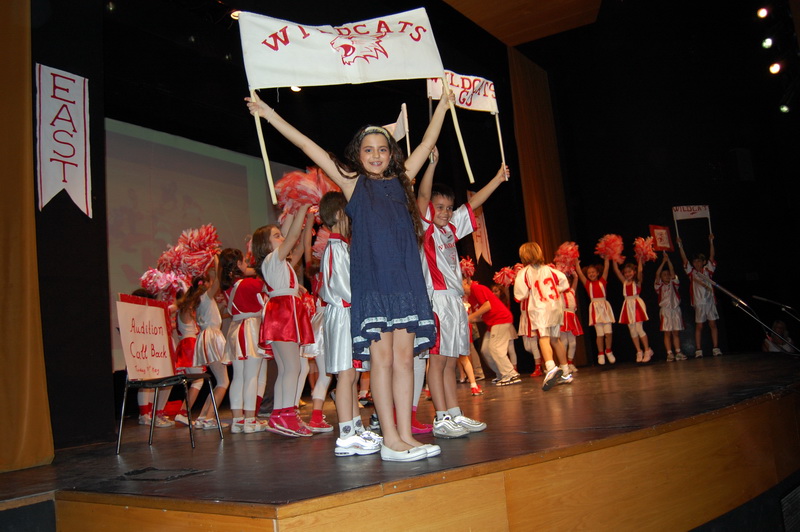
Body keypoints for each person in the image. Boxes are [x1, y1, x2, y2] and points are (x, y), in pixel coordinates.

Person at [245, 91, 454, 462]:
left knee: (406, 362)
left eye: (382, 149)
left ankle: (405, 435)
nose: (376, 155)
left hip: (405, 286)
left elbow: (427, 142)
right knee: (382, 363)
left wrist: (443, 105)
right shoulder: (353, 183)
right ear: (358, 154)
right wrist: (268, 114)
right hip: (374, 287)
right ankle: (390, 439)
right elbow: (309, 146)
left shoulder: (402, 180)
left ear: (391, 154)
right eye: (368, 150)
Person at [416, 147, 507, 438]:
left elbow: (474, 202)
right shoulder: (426, 228)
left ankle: (453, 413)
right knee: (437, 360)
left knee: (450, 360)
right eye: (439, 207)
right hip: (437, 300)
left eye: (448, 207)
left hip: (455, 301)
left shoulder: (450, 229)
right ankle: (441, 417)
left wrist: (497, 179)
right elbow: (423, 195)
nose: (444, 212)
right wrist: (431, 165)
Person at [318, 191, 382, 456]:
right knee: (346, 374)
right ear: (338, 215)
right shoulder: (335, 247)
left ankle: (356, 428)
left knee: (353, 373)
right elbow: (342, 286)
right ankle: (346, 434)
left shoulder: (342, 246)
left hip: (348, 314)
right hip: (343, 314)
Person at [254, 204, 315, 437]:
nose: (281, 238)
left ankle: (280, 415)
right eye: (276, 236)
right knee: (292, 367)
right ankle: (286, 416)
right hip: (283, 314)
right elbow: (291, 237)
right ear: (265, 244)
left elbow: (296, 243)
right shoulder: (272, 259)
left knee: (286, 368)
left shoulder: (281, 263)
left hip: (284, 312)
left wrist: (304, 216)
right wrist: (303, 207)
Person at [220, 247, 268, 434]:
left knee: (238, 377)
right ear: (239, 264)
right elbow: (268, 285)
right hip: (251, 329)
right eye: (244, 261)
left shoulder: (227, 287)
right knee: (251, 376)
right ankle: (250, 420)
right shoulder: (250, 284)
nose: (247, 265)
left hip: (234, 329)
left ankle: (237, 420)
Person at [514, 242, 571, 391]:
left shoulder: (524, 272)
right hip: (555, 307)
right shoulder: (550, 269)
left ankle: (551, 368)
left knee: (543, 338)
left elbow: (520, 295)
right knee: (556, 339)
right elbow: (565, 284)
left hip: (540, 308)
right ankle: (566, 372)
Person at [464, 277, 520, 386]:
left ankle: (510, 374)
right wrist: (468, 319)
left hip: (501, 319)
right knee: (485, 350)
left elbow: (487, 306)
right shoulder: (470, 297)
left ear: (466, 281)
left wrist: (470, 317)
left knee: (495, 347)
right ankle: (501, 374)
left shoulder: (477, 288)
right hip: (493, 323)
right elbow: (481, 315)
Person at [678, 234, 722, 357]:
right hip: (698, 303)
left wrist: (711, 241)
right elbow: (684, 260)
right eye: (695, 261)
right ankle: (698, 350)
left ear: (703, 262)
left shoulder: (708, 270)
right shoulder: (692, 273)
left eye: (699, 261)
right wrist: (680, 245)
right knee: (699, 326)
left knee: (713, 324)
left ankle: (716, 348)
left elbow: (712, 256)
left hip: (710, 302)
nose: (696, 263)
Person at [612, 259, 653, 363]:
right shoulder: (624, 282)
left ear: (634, 272)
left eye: (629, 271)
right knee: (632, 330)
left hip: (636, 304)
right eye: (625, 272)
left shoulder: (637, 282)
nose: (627, 274)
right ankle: (639, 351)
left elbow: (640, 271)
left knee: (639, 329)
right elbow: (616, 270)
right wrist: (613, 257)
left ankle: (647, 350)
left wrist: (640, 259)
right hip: (627, 306)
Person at [576, 258, 616, 365]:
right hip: (595, 309)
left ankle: (608, 350)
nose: (591, 274)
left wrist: (606, 258)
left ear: (598, 273)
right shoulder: (587, 284)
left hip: (605, 308)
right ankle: (601, 353)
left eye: (593, 272)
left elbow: (606, 268)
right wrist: (576, 263)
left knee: (608, 332)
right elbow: (580, 273)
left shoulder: (602, 281)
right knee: (600, 334)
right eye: (589, 273)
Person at [654, 252, 686, 361]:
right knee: (667, 333)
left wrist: (668, 260)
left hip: (675, 310)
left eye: (668, 274)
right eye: (664, 275)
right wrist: (663, 262)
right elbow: (657, 274)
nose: (667, 276)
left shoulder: (674, 283)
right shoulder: (659, 286)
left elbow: (672, 271)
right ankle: (669, 353)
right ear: (661, 278)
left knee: (676, 332)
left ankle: (678, 352)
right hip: (665, 311)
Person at [559, 273, 584, 372]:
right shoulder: (558, 292)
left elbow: (576, 280)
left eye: (567, 282)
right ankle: (563, 364)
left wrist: (575, 275)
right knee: (564, 343)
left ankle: (570, 363)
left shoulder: (571, 292)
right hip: (563, 317)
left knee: (573, 343)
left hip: (572, 317)